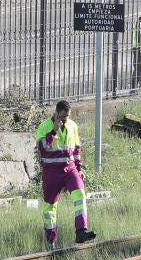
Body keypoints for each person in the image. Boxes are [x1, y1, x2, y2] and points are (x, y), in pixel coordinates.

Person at [35, 100, 96, 248]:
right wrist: (54, 131)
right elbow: (42, 149)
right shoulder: (44, 126)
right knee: (50, 207)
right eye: (62, 117)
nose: (64, 120)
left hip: (70, 169)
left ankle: (81, 231)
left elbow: (76, 149)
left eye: (67, 117)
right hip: (51, 172)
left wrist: (79, 169)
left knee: (80, 194)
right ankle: (51, 242)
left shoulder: (73, 126)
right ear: (56, 113)